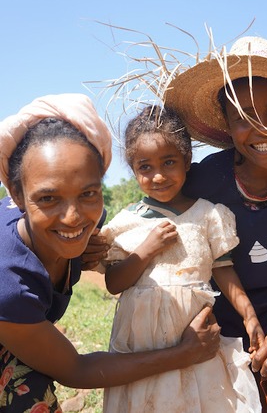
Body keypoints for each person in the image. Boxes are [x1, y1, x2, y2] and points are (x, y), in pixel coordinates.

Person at [0, 93, 221, 412]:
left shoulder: (93, 224)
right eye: (48, 199)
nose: (73, 217)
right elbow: (74, 369)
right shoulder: (8, 280)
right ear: (18, 197)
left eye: (88, 193)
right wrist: (184, 353)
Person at [164, 36, 267, 413]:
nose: (262, 129)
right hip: (226, 323)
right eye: (243, 117)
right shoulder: (204, 184)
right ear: (226, 124)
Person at [100, 105, 262, 413]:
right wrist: (145, 250)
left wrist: (249, 315)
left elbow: (224, 271)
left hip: (195, 333)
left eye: (169, 162)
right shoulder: (125, 223)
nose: (158, 175)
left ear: (187, 162)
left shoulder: (209, 215)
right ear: (134, 171)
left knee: (198, 398)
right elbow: (113, 283)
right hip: (142, 342)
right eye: (145, 167)